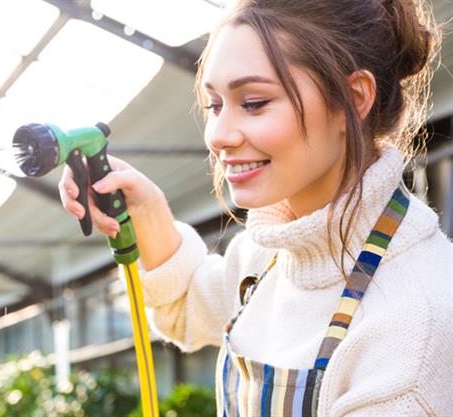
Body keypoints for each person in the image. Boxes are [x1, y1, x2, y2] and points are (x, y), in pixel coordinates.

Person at [59, 0, 451, 415]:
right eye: (214, 105)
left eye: (254, 102)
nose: (218, 135)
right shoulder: (267, 253)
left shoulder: (418, 319)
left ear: (352, 100)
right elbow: (188, 306)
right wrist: (147, 209)